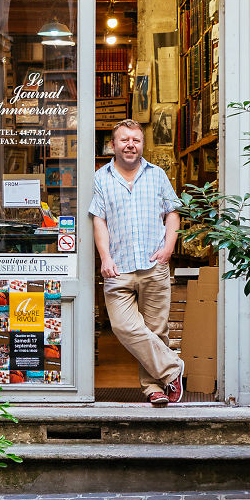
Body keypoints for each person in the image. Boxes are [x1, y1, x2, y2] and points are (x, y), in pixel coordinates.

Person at [88, 119, 185, 406]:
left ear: (142, 144)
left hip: (153, 264)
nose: (131, 145)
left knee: (155, 331)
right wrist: (105, 258)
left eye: (136, 140)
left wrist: (168, 249)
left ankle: (154, 388)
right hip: (118, 268)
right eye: (124, 140)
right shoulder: (101, 177)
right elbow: (99, 220)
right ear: (113, 145)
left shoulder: (157, 175)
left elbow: (173, 213)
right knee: (124, 327)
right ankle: (173, 369)